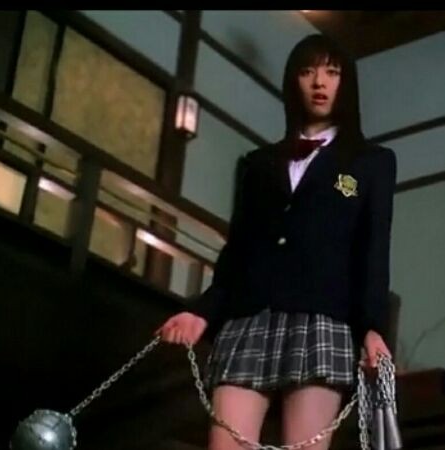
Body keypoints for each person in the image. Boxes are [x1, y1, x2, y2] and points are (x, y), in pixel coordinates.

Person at [155, 33, 396, 450]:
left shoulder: (372, 162)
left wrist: (373, 329)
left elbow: (373, 251)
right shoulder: (257, 164)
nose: (319, 82)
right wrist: (202, 312)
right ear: (292, 82)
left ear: (347, 83)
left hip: (323, 318)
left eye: (332, 72)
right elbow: (237, 252)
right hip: (249, 315)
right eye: (307, 72)